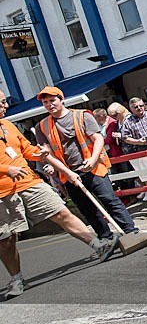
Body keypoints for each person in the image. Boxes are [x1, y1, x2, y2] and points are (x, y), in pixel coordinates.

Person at [0, 89, 119, 299]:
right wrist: (5, 170)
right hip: (2, 191)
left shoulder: (8, 125)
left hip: (29, 181)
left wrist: (40, 153)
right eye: (1, 102)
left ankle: (97, 245)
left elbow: (26, 149)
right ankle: (16, 279)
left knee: (61, 212)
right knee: (7, 239)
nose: (5, 106)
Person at [34, 87, 138, 242]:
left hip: (93, 167)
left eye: (52, 100)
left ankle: (131, 231)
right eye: (45, 102)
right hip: (68, 174)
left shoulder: (82, 116)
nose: (49, 105)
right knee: (87, 209)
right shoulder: (42, 127)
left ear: (61, 100)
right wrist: (67, 173)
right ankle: (106, 238)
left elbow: (98, 139)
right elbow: (47, 154)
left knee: (109, 200)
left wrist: (93, 159)